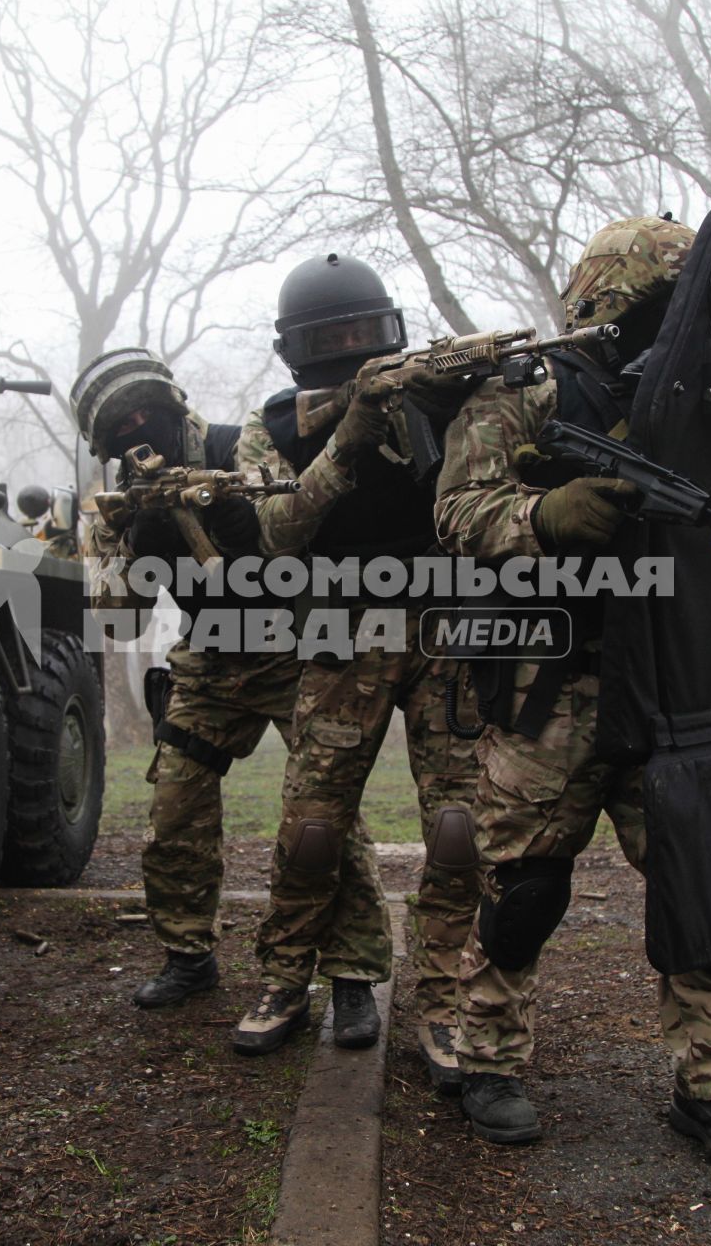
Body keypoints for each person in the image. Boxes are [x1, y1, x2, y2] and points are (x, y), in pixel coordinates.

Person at [430, 216, 711, 1173]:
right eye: (663, 303)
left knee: (703, 887)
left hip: (672, 678)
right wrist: (546, 513)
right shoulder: (531, 388)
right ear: (614, 296)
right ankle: (488, 1059)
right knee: (523, 886)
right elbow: (457, 516)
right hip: (555, 684)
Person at [227, 253, 482, 1092]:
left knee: (458, 832)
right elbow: (276, 531)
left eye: (364, 336)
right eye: (332, 339)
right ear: (296, 349)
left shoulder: (438, 393)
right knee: (312, 827)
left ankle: (443, 1004)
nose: (351, 350)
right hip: (342, 627)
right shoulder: (275, 424)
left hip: (447, 623)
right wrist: (346, 437)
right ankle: (284, 977)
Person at [73, 348, 322, 1008]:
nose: (138, 441)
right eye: (120, 437)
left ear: (173, 407)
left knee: (325, 817)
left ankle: (351, 974)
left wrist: (234, 514)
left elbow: (305, 530)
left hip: (294, 646)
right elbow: (118, 623)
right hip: (209, 657)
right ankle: (187, 955)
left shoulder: (242, 448)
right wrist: (125, 544)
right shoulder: (119, 502)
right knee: (175, 811)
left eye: (145, 421)